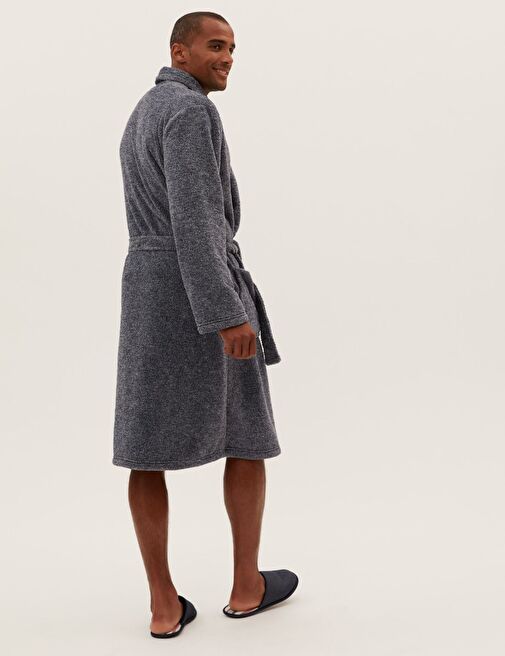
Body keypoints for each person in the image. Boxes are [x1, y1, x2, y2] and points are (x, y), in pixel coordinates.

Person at [112, 11, 298, 638]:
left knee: (145, 446)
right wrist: (225, 312)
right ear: (180, 52)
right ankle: (247, 586)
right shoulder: (191, 112)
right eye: (215, 46)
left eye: (233, 48)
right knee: (246, 432)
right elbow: (195, 220)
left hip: (147, 289)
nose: (227, 58)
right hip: (202, 283)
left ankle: (164, 606)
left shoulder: (144, 110)